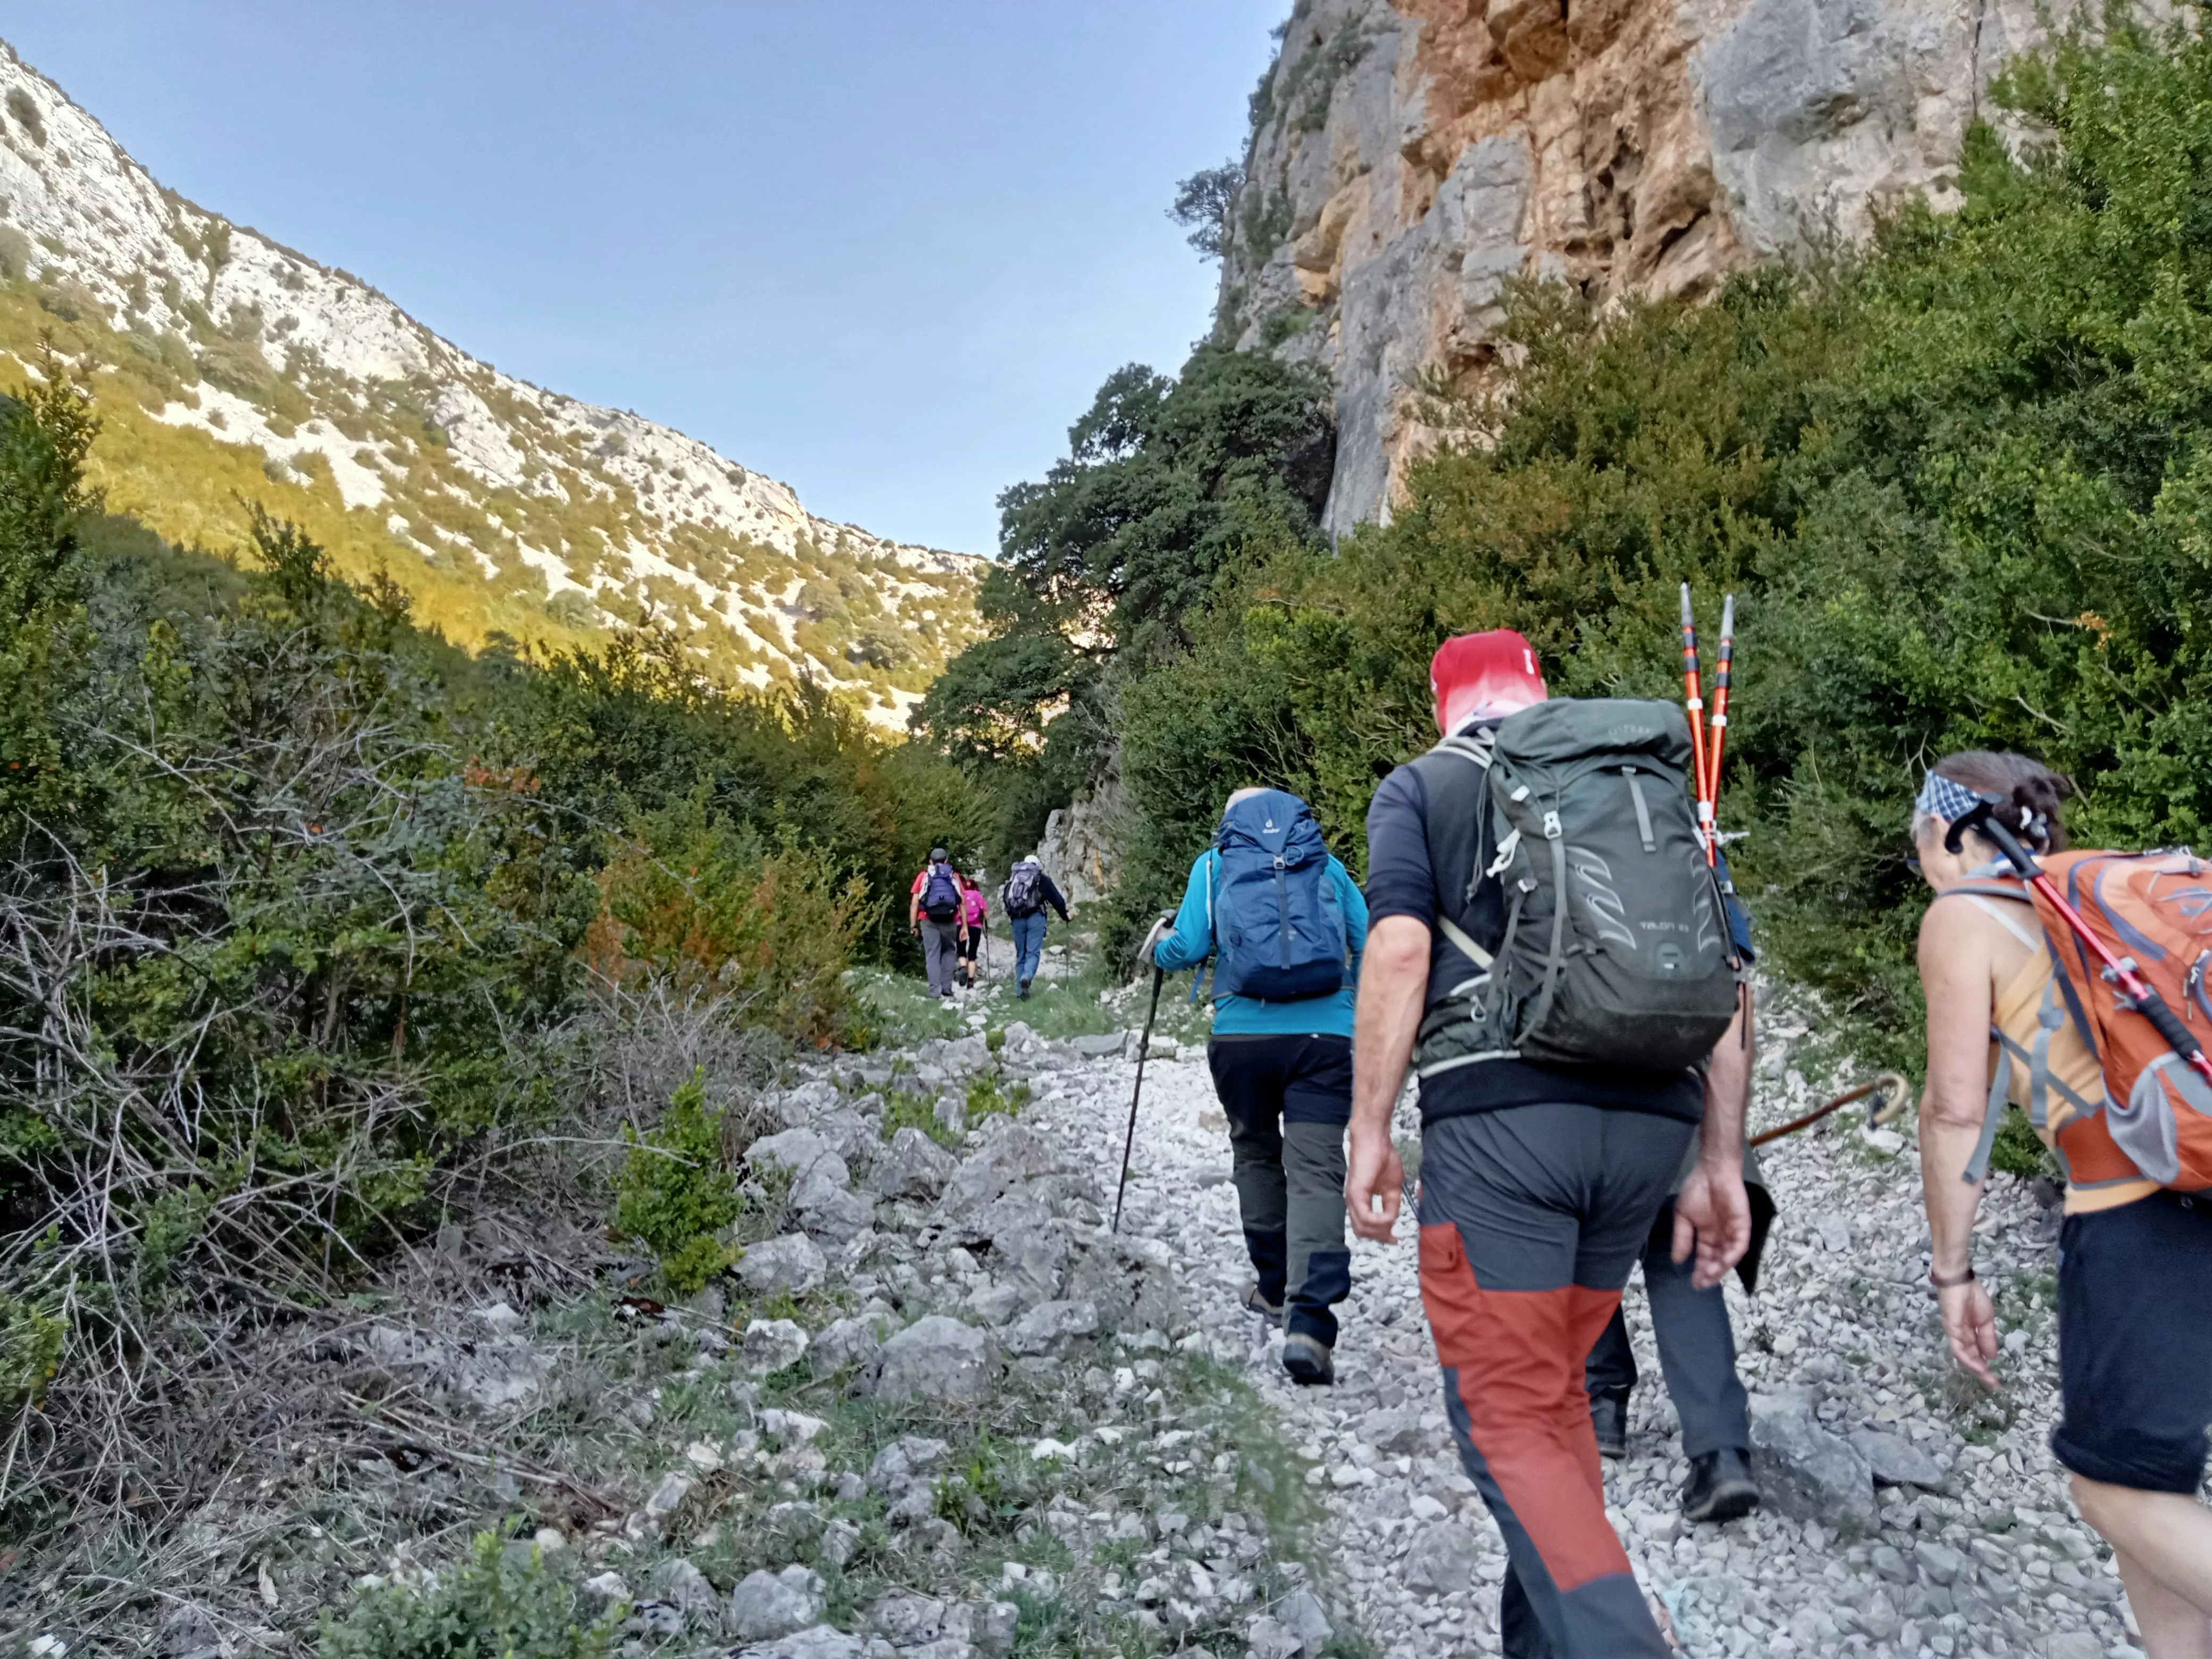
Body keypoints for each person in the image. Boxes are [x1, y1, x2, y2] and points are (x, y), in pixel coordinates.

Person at [1345, 629, 1753, 1659]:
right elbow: (1727, 982)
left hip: (1506, 1140)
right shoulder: (1638, 785)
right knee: (1553, 1403)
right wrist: (1714, 1163)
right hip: (1648, 1130)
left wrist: (1368, 1128)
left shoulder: (1424, 789)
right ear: (1540, 692)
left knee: (1508, 1420)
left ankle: (1622, 1647)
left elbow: (1399, 949)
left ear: (1444, 703)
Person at [1912, 751, 2212, 1658]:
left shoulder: (1967, 917)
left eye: (1921, 837)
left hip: (2138, 1217)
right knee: (2146, 1479)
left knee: (2110, 1491)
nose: (1921, 857)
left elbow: (1957, 1109)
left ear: (1954, 832)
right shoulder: (2110, 902)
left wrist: (1953, 1270)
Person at [1150, 786, 1370, 1385]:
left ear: (1230, 823)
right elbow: (1367, 938)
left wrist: (1158, 947)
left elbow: (1188, 947)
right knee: (1317, 1168)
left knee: (1252, 1148)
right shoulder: (1326, 863)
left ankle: (1273, 1288)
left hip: (1242, 1038)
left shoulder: (1215, 864)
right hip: (1326, 1040)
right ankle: (1309, 1322)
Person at [1582, 1135, 1774, 1522]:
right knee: (1679, 1252)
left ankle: (1601, 1398)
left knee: (1568, 1231)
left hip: (1570, 1129)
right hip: (1676, 1121)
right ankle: (1722, 1455)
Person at [1000, 853, 1070, 1001]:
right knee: (1032, 952)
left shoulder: (1014, 879)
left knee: (1021, 955)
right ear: (1038, 867)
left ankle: (1020, 992)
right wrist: (1065, 916)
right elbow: (1057, 900)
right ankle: (1027, 976)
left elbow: (1006, 898)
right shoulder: (1041, 879)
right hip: (1035, 918)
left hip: (1017, 919)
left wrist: (1012, 915)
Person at [908, 847, 969, 1000]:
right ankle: (947, 989)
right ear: (946, 861)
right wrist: (965, 927)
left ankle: (935, 992)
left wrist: (913, 925)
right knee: (949, 951)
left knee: (932, 954)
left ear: (930, 862)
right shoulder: (953, 876)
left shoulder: (924, 876)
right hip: (950, 920)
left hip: (928, 920)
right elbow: (962, 902)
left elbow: (915, 902)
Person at [957, 873, 990, 989]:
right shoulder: (979, 896)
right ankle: (970, 982)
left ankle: (963, 968)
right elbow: (986, 915)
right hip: (976, 926)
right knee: (972, 953)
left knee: (961, 950)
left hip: (961, 925)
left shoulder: (961, 895)